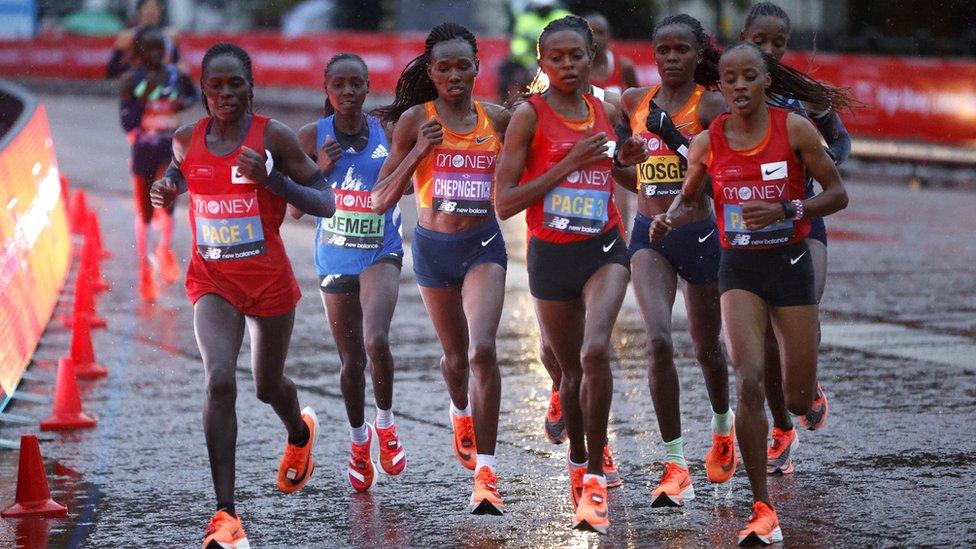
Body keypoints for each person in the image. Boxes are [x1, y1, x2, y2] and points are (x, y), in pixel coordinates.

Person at [651, 42, 850, 545]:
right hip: (737, 268)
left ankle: (800, 406)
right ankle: (762, 506)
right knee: (749, 380)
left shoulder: (795, 130)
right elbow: (690, 193)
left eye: (749, 78)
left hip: (789, 266)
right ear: (721, 86)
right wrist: (669, 218)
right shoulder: (709, 140)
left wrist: (788, 211)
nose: (739, 87)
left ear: (766, 83)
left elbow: (837, 193)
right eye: (730, 79)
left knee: (796, 394)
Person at [149, 42, 336, 549]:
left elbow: (326, 200)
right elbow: (178, 173)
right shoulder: (187, 139)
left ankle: (299, 433)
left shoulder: (271, 135)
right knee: (220, 379)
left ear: (250, 87)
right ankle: (226, 516)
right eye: (217, 85)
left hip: (270, 282)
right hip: (213, 281)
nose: (227, 93)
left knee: (267, 385)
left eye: (236, 84)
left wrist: (271, 178)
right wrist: (165, 187)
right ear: (204, 91)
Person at [494, 15, 648, 534]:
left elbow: (619, 173)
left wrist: (626, 160)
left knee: (595, 351)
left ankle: (598, 479)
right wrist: (566, 163)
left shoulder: (605, 109)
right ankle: (582, 462)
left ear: (591, 57)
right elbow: (505, 201)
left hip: (604, 249)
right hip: (550, 256)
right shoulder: (529, 118)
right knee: (569, 371)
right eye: (554, 58)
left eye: (575, 56)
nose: (566, 65)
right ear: (541, 64)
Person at [371, 22, 511, 516]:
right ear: (430, 73)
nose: (453, 74)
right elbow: (380, 198)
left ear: (477, 68)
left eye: (462, 66)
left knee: (482, 351)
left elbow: (529, 172)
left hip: (484, 245)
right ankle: (460, 412)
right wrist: (418, 150)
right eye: (443, 67)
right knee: (455, 360)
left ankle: (487, 474)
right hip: (432, 248)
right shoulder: (415, 119)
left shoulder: (497, 119)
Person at [615, 13, 734, 507]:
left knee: (708, 348)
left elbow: (723, 179)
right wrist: (627, 159)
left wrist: (679, 143)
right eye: (662, 50)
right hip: (649, 237)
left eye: (680, 50)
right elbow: (623, 167)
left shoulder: (710, 106)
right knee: (658, 340)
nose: (669, 58)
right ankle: (675, 464)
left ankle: (723, 427)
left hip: (700, 235)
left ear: (697, 54)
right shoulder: (633, 102)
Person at [740, 1, 853, 475]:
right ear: (744, 37)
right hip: (750, 228)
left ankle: (805, 375)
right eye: (759, 41)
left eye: (778, 43)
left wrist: (823, 158)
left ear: (788, 46)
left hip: (803, 219)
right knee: (765, 335)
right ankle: (782, 428)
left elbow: (842, 144)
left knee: (804, 303)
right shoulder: (730, 87)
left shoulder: (802, 94)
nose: (768, 50)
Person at [293, 53, 407, 493]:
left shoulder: (387, 132)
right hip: (335, 257)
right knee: (350, 361)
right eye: (338, 85)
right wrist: (319, 171)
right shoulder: (311, 136)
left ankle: (386, 424)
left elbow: (410, 183)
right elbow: (293, 210)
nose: (346, 92)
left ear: (366, 87)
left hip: (381, 250)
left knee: (376, 339)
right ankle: (359, 444)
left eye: (355, 84)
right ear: (327, 90)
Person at [119, 26, 196, 302]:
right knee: (145, 209)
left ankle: (165, 249)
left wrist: (181, 103)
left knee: (167, 196)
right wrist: (142, 100)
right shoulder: (132, 80)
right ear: (139, 52)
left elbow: (192, 96)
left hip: (169, 145)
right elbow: (126, 122)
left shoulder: (175, 75)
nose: (156, 54)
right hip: (143, 147)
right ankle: (143, 260)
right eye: (149, 49)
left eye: (160, 49)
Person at [106, 0, 179, 79]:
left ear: (160, 10)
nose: (151, 11)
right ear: (139, 11)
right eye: (147, 7)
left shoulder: (169, 36)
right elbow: (112, 70)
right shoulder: (127, 36)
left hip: (163, 79)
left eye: (154, 7)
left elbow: (177, 63)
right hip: (136, 80)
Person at [583, 12, 639, 95]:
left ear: (609, 35)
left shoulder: (624, 66)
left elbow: (639, 102)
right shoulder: (576, 68)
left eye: (600, 32)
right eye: (590, 33)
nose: (596, 37)